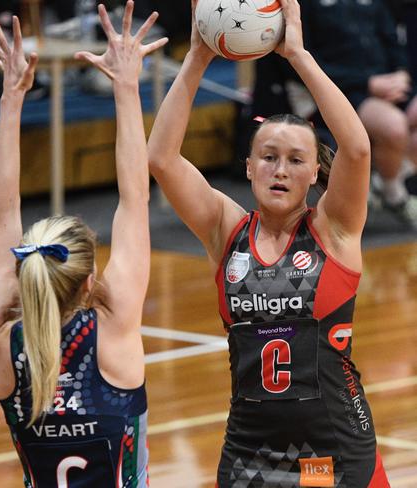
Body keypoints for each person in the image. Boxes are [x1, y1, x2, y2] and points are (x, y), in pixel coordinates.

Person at [148, 0, 390, 486]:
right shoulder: (226, 230)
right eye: (268, 156)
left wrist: (297, 56)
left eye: (296, 160)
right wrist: (198, 55)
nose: (280, 169)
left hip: (333, 453)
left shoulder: (334, 230)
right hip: (247, 455)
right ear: (248, 167)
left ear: (315, 172)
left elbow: (359, 148)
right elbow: (161, 159)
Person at [0, 3, 166, 486]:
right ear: (89, 282)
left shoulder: (3, 335)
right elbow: (135, 199)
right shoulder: (113, 330)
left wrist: (12, 98)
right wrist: (127, 87)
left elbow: (2, 210)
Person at [300, 0, 417, 227]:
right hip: (346, 92)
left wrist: (401, 74)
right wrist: (368, 83)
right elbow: (309, 62)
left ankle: (384, 179)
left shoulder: (375, 4)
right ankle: (395, 194)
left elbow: (393, 41)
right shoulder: (308, 6)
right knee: (394, 127)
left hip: (386, 84)